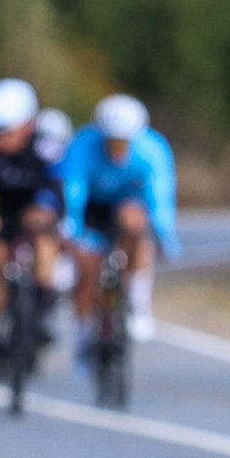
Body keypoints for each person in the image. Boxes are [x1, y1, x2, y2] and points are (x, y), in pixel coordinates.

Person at [58, 94, 178, 346]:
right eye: (111, 142)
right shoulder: (83, 144)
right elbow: (74, 190)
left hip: (127, 204)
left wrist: (165, 235)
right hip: (92, 206)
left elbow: (160, 195)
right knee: (87, 267)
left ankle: (138, 303)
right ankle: (82, 333)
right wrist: (72, 229)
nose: (117, 148)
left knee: (136, 225)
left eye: (124, 142)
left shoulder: (153, 149)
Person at [0, 79, 63, 340]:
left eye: (4, 133)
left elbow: (59, 188)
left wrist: (44, 208)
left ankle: (42, 308)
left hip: (33, 210)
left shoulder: (46, 147)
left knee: (45, 239)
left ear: (26, 126)